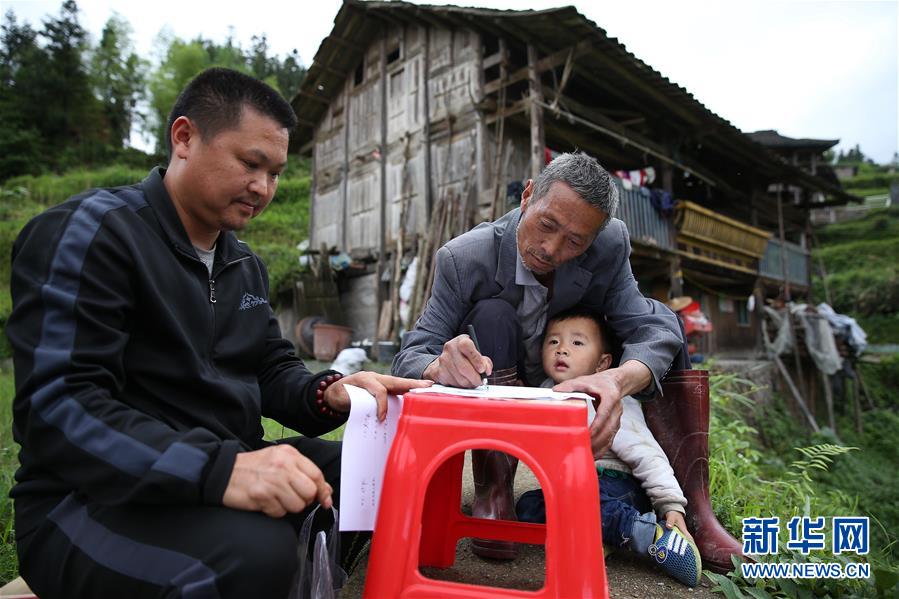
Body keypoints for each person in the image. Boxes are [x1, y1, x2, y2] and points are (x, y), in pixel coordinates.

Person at [6, 67, 427, 598]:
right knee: (258, 555)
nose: (264, 188)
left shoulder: (242, 264)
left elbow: (271, 368)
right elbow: (59, 408)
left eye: (275, 173)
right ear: (184, 138)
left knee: (372, 475)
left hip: (209, 470)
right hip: (88, 501)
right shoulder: (94, 233)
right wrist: (221, 469)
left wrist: (331, 392)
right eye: (250, 163)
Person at [392, 152, 684, 559]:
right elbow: (411, 353)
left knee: (663, 319)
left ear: (594, 238)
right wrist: (439, 363)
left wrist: (618, 379)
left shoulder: (610, 244)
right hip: (498, 384)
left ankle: (690, 505)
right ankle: (495, 488)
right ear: (528, 195)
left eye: (575, 242)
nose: (550, 249)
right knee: (492, 314)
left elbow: (652, 330)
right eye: (546, 225)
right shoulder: (463, 258)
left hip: (568, 381)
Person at [515, 308, 701, 587]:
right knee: (528, 505)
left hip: (618, 486)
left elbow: (647, 455)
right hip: (574, 488)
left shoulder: (610, 400)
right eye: (553, 342)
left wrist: (670, 505)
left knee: (585, 500)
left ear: (602, 363)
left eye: (577, 343)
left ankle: (650, 535)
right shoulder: (545, 395)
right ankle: (602, 534)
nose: (562, 349)